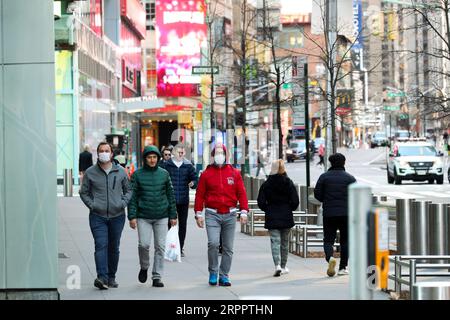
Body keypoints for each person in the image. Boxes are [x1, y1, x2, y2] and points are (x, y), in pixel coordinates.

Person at [194, 143, 249, 286]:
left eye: (222, 153)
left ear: (226, 155)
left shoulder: (234, 173)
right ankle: (213, 271)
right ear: (213, 156)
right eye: (217, 153)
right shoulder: (206, 174)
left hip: (230, 214)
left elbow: (241, 193)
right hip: (212, 214)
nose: (220, 155)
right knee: (213, 243)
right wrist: (198, 213)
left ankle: (224, 275)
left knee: (228, 247)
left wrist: (244, 211)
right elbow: (200, 195)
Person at [79, 142, 132, 290]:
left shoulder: (121, 171)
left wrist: (122, 203)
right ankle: (102, 277)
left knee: (114, 247)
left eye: (106, 150)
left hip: (117, 216)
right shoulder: (90, 172)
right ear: (97, 154)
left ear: (111, 154)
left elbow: (129, 190)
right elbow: (83, 192)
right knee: (101, 245)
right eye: (101, 151)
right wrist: (93, 205)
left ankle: (111, 277)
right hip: (98, 216)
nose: (104, 153)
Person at [128, 145, 177, 288]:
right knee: (144, 244)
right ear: (145, 159)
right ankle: (144, 266)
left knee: (160, 247)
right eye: (149, 157)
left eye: (154, 157)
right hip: (143, 216)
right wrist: (132, 216)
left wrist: (173, 215)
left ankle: (157, 276)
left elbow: (170, 195)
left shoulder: (164, 174)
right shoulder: (137, 175)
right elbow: (132, 197)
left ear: (158, 158)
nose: (152, 160)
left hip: (162, 216)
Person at [313, 153, 356, 277]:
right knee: (345, 240)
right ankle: (343, 267)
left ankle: (330, 257)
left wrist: (325, 200)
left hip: (329, 213)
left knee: (328, 240)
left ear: (331, 163)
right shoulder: (350, 178)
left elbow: (317, 194)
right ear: (344, 163)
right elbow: (355, 196)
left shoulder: (324, 177)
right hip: (346, 214)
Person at [257, 159, 299, 277]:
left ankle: (277, 265)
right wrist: (289, 208)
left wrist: (268, 209)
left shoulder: (267, 184)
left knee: (275, 241)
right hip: (286, 215)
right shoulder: (288, 182)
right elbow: (295, 201)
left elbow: (260, 201)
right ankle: (284, 266)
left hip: (272, 215)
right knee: (285, 242)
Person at [163, 144, 198, 257]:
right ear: (174, 153)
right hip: (170, 200)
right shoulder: (167, 165)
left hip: (183, 200)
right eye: (178, 152)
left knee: (182, 224)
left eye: (182, 152)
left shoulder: (188, 165)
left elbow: (195, 178)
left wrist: (193, 183)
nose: (180, 154)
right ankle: (171, 246)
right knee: (171, 224)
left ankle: (180, 247)